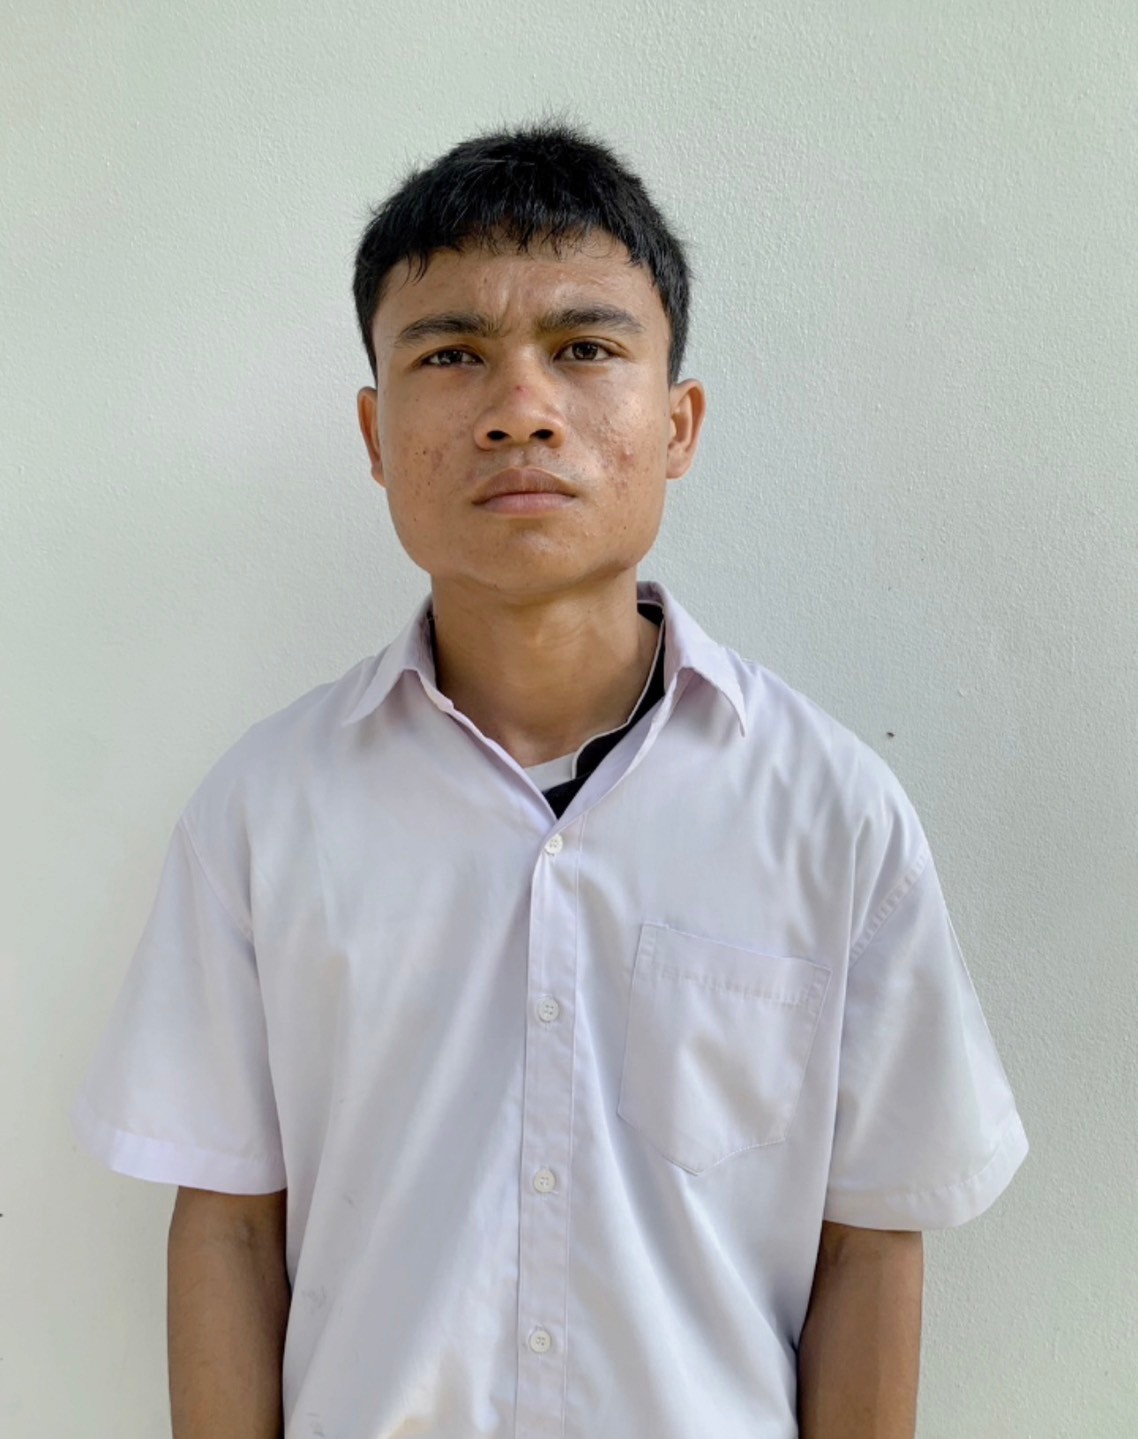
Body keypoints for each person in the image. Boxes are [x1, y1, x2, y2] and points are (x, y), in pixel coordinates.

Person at [72, 118, 1029, 1439]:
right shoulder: (265, 811)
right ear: (374, 431)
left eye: (584, 349)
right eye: (451, 353)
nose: (519, 407)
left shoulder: (829, 815)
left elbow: (868, 1242)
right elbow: (230, 1226)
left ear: (678, 423)